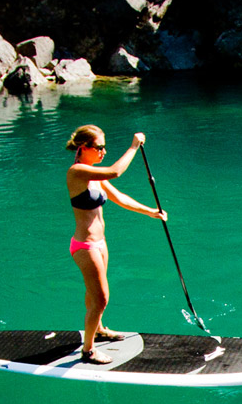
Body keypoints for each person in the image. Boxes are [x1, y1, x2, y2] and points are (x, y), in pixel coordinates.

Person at [64, 125, 166, 364]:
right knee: (101, 298)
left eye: (104, 147)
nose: (103, 152)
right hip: (84, 247)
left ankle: (98, 329)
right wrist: (133, 146)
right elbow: (116, 172)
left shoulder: (94, 174)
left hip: (100, 244)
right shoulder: (77, 172)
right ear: (83, 148)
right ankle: (88, 351)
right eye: (99, 147)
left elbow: (119, 198)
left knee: (93, 295)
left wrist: (151, 212)